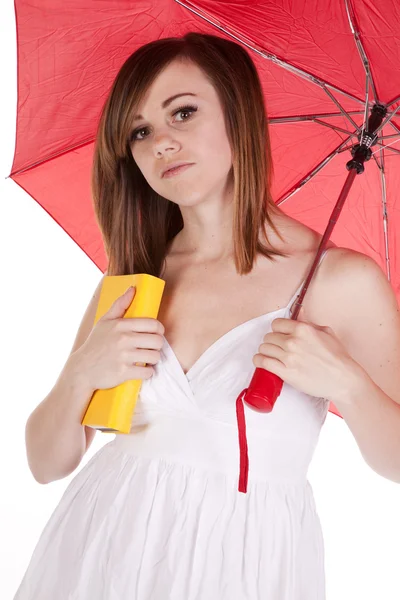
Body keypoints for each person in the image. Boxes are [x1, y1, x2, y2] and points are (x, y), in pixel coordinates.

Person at [12, 31, 378, 600]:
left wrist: (349, 386)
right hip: (102, 550)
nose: (161, 143)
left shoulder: (337, 281)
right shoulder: (136, 278)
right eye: (140, 131)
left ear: (239, 116)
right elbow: (45, 462)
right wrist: (82, 373)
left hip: (243, 561)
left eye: (182, 112)